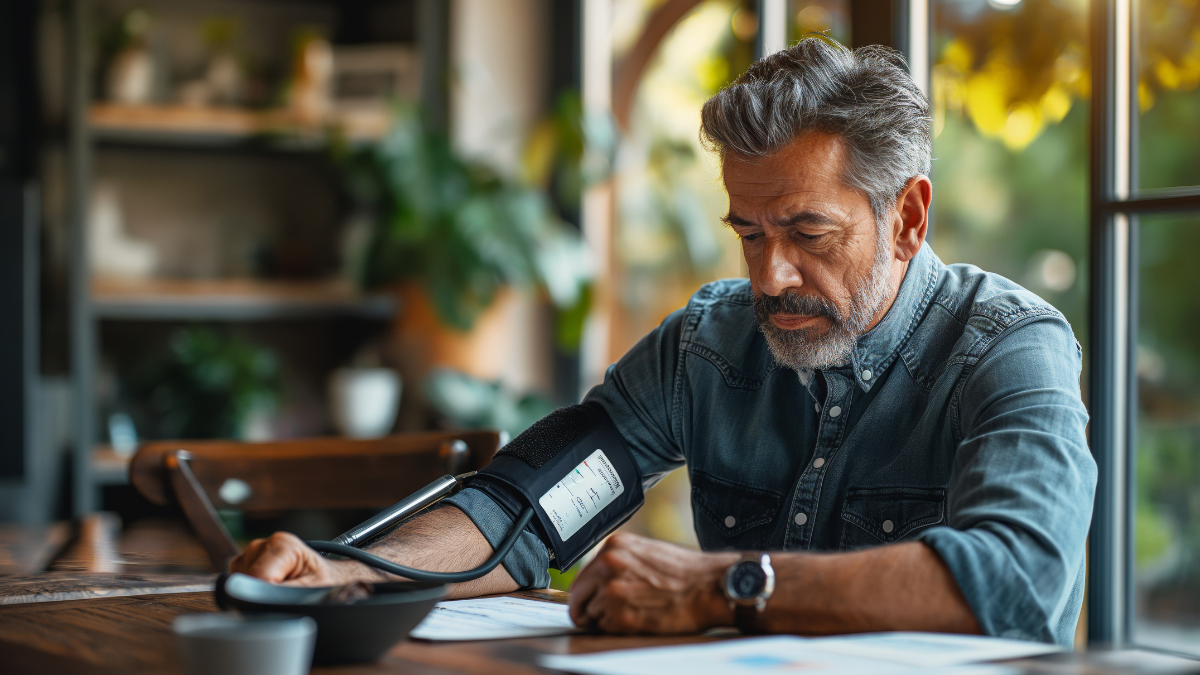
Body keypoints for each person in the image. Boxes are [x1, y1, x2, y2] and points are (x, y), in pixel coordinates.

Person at [230, 37, 1095, 647]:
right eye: (750, 233)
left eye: (808, 232)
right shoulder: (709, 344)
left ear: (905, 216)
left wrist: (718, 585)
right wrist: (350, 571)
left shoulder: (1010, 348)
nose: (771, 276)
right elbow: (524, 507)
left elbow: (1018, 580)